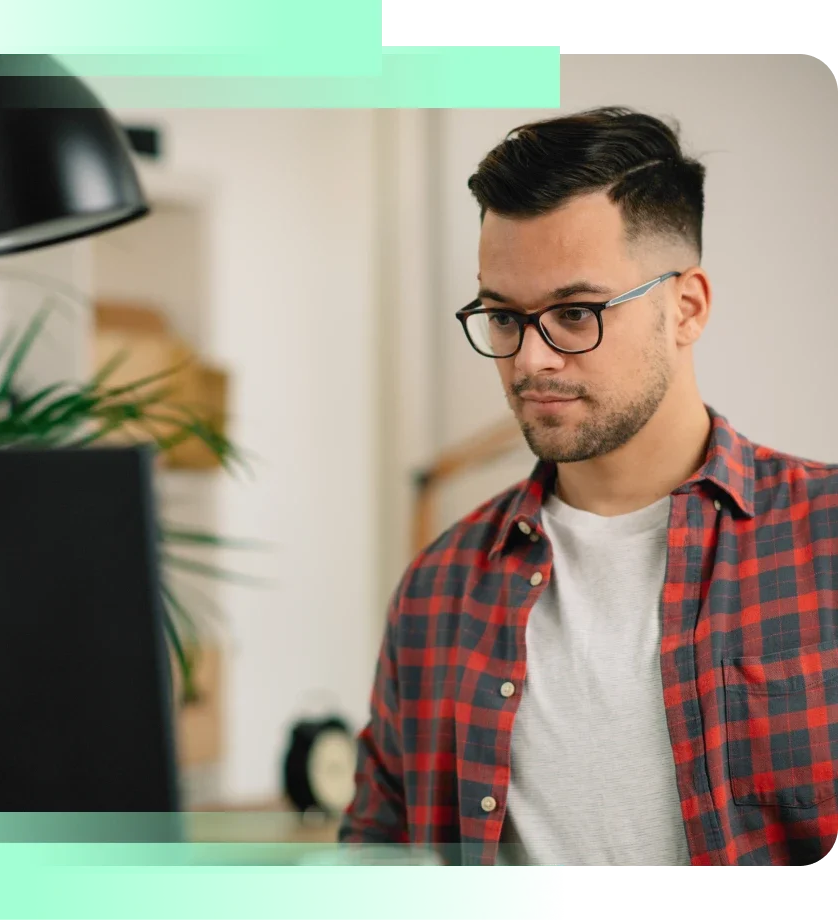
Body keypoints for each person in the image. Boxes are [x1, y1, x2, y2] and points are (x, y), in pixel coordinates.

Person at [338, 106, 838, 870]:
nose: (531, 360)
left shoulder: (825, 541)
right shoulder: (438, 589)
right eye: (504, 316)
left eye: (575, 313)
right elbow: (376, 863)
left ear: (687, 307)